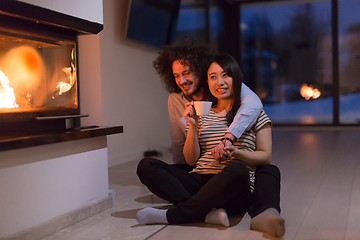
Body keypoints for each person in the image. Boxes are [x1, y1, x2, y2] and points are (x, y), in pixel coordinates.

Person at [137, 52, 285, 237]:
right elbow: (191, 160)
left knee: (243, 170)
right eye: (213, 77)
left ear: (237, 78)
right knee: (146, 165)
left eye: (226, 75)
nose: (219, 82)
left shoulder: (254, 113)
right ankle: (205, 212)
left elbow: (265, 156)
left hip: (234, 185)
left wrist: (236, 153)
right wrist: (192, 126)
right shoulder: (203, 112)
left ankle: (177, 215)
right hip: (201, 180)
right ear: (207, 82)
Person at [154, 41, 263, 165]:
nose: (182, 81)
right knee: (149, 166)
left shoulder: (219, 90)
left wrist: (228, 138)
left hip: (225, 161)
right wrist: (182, 174)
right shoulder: (175, 100)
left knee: (269, 172)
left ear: (200, 70)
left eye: (186, 73)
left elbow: (254, 102)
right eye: (176, 76)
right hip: (194, 163)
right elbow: (178, 143)